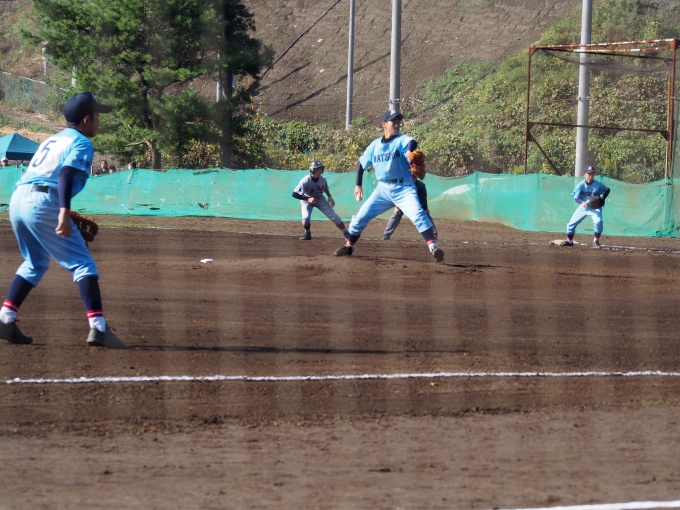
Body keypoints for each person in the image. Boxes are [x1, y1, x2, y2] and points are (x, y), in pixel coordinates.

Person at [0, 92, 126, 348]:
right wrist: (63, 210)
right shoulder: (81, 142)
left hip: (18, 199)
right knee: (83, 264)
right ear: (87, 119)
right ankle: (99, 328)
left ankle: (5, 318)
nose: (99, 121)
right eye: (97, 116)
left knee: (35, 262)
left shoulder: (54, 139)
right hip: (43, 201)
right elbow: (66, 173)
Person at [333, 109, 443, 262]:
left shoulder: (401, 140)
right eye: (393, 121)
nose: (397, 124)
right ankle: (349, 246)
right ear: (384, 124)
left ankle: (433, 247)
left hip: (404, 187)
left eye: (398, 121)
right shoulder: (375, 145)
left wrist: (409, 151)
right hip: (383, 189)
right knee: (361, 217)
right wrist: (358, 184)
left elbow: (411, 142)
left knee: (418, 213)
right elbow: (362, 163)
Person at [292, 160, 349, 240]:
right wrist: (308, 199)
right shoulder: (305, 181)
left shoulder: (323, 179)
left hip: (319, 198)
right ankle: (307, 233)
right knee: (306, 218)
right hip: (306, 199)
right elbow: (294, 194)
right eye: (317, 169)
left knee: (334, 216)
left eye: (320, 169)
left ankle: (346, 233)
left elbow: (325, 188)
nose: (319, 171)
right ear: (312, 170)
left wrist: (329, 196)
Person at [560, 165, 611, 249]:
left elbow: (607, 190)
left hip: (595, 208)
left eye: (592, 174)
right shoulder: (580, 185)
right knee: (571, 224)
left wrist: (603, 198)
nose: (591, 176)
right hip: (583, 208)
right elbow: (576, 198)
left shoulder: (598, 185)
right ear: (584, 174)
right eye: (589, 174)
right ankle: (569, 241)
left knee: (598, 222)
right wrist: (582, 202)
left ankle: (596, 241)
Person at [382, 172, 437, 241]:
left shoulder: (421, 186)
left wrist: (424, 208)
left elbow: (423, 199)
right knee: (396, 213)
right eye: (410, 178)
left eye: (413, 178)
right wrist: (398, 207)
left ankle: (433, 235)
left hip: (417, 204)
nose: (412, 179)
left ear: (416, 178)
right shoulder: (404, 185)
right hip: (405, 203)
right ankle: (386, 234)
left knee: (425, 214)